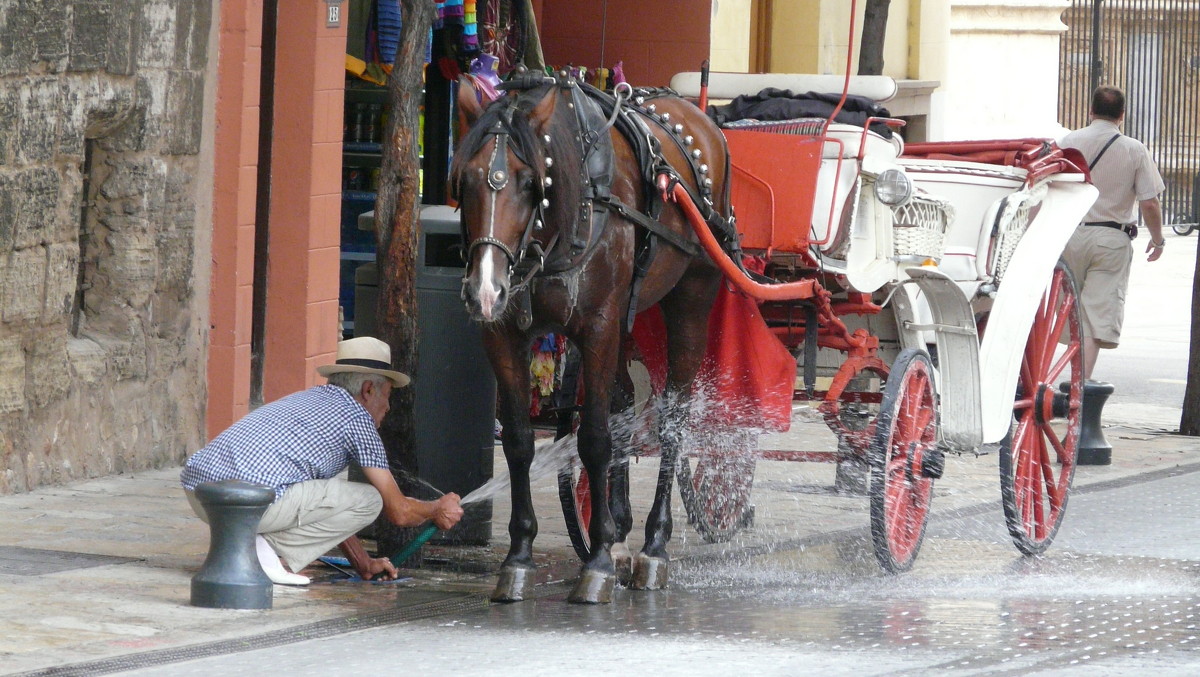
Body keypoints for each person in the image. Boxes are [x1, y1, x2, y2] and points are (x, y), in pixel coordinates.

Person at [181, 336, 464, 585]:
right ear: (368, 390)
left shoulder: (311, 399)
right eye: (387, 396)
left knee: (333, 495)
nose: (388, 407)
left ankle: (251, 544)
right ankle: (263, 553)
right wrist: (436, 509)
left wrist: (364, 563)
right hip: (250, 505)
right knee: (370, 499)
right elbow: (398, 511)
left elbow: (327, 508)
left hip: (204, 496)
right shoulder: (357, 420)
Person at [1060, 86, 1166, 380]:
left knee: (1066, 311)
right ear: (1122, 114)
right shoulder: (1134, 149)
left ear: (1090, 110)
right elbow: (1150, 202)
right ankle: (1078, 387)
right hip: (1110, 238)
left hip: (1069, 235)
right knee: (1096, 315)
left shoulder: (1068, 141)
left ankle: (1048, 378)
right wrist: (1158, 240)